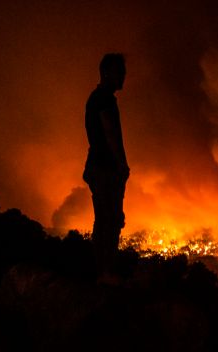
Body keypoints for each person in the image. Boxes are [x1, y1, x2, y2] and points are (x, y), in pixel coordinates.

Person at [82, 53, 130, 285]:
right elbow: (111, 133)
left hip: (98, 167)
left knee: (104, 219)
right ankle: (105, 272)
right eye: (120, 72)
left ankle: (100, 271)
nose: (124, 76)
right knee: (110, 220)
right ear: (108, 72)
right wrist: (122, 164)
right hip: (105, 169)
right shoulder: (104, 100)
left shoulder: (96, 98)